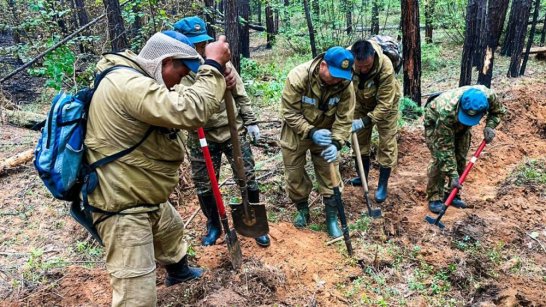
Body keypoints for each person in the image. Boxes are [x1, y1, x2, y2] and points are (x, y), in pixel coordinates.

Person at [84, 31, 232, 306]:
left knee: (171, 230)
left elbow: (181, 96)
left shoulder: (138, 78)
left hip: (141, 191)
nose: (181, 80)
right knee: (136, 295)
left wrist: (219, 78)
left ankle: (178, 273)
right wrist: (212, 68)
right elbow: (190, 110)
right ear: (166, 62)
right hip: (122, 205)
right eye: (181, 72)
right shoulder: (128, 84)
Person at [174, 16, 270, 247]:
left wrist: (251, 121)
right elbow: (183, 103)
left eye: (201, 43)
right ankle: (214, 224)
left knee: (246, 176)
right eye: (193, 44)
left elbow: (240, 93)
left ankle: (253, 222)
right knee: (205, 183)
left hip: (232, 130)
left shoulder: (221, 62)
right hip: (201, 134)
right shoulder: (178, 69)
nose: (198, 48)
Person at [280, 46, 355, 238]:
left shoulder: (345, 84)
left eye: (342, 76)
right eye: (334, 74)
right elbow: (289, 111)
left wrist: (337, 143)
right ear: (323, 65)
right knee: (294, 172)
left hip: (328, 132)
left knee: (330, 173)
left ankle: (331, 217)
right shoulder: (299, 76)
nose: (338, 80)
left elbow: (345, 118)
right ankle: (303, 210)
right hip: (297, 131)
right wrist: (310, 131)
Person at [424, 85, 505, 213]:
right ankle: (434, 197)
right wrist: (453, 174)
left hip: (459, 123)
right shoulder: (446, 110)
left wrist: (490, 126)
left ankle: (451, 194)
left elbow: (498, 111)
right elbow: (444, 147)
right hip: (436, 121)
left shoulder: (489, 97)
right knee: (439, 159)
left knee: (460, 157)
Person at [348, 39, 402, 203]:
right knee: (359, 139)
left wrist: (365, 121)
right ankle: (362, 177)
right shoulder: (347, 60)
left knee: (386, 143)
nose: (363, 70)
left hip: (386, 105)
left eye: (367, 66)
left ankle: (382, 185)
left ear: (373, 57)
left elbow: (385, 104)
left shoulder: (385, 66)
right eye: (360, 67)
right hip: (359, 102)